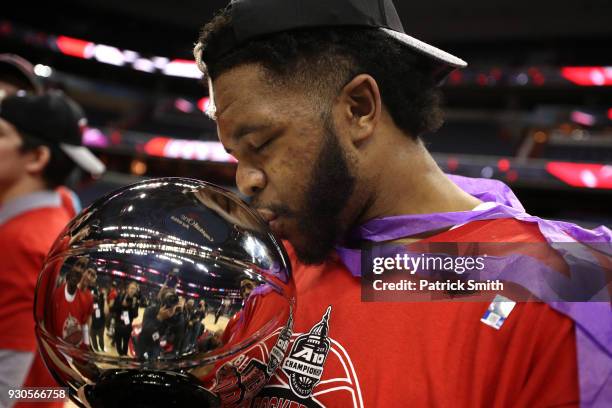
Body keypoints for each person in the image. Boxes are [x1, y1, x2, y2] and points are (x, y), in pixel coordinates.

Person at [193, 0, 610, 406]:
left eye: (261, 144)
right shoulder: (279, 265)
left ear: (359, 108)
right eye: (237, 156)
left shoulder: (562, 286)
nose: (244, 180)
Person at [0, 83, 105, 407]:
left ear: (36, 157)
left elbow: (8, 381)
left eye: (1, 134)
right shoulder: (60, 214)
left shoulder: (18, 241)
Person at [137, 291, 179, 361]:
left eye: (172, 299)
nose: (170, 301)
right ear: (162, 299)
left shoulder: (172, 315)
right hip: (145, 344)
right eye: (168, 298)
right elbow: (146, 330)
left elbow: (177, 332)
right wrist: (159, 318)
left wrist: (178, 314)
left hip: (156, 344)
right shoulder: (151, 309)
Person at [111, 281, 139, 356]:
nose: (132, 290)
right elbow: (113, 309)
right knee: (118, 345)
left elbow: (136, 315)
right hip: (118, 325)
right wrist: (122, 305)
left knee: (126, 345)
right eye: (131, 288)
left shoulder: (135, 301)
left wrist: (131, 307)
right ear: (127, 289)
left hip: (127, 327)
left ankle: (123, 359)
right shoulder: (120, 297)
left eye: (134, 289)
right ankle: (121, 355)